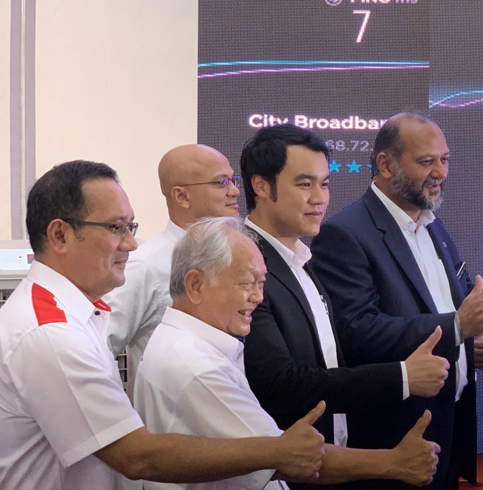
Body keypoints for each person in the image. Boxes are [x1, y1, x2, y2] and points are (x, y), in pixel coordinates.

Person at [0, 160, 324, 490]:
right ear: (60, 235)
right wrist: (277, 451)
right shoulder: (51, 332)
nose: (131, 244)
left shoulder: (71, 316)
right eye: (116, 228)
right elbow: (137, 457)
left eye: (131, 227)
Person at [310, 112, 483, 489]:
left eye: (445, 159)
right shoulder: (345, 234)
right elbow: (357, 332)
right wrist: (456, 329)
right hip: (391, 443)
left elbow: (460, 303)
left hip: (446, 434)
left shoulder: (432, 224)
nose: (440, 172)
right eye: (426, 161)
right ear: (385, 165)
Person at [132, 217, 439, 489]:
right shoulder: (197, 366)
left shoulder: (182, 344)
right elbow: (288, 456)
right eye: (246, 283)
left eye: (262, 283)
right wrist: (394, 462)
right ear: (196, 285)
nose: (258, 297)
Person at [239, 124, 449, 489]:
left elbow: (331, 357)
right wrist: (402, 377)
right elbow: (282, 385)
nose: (319, 198)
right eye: (304, 184)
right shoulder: (246, 267)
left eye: (324, 184)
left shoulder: (301, 259)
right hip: (283, 473)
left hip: (332, 464)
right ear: (260, 186)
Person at [105, 144, 242, 391]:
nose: (234, 191)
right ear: (181, 196)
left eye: (233, 180)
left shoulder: (237, 258)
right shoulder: (145, 266)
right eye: (221, 182)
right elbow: (97, 348)